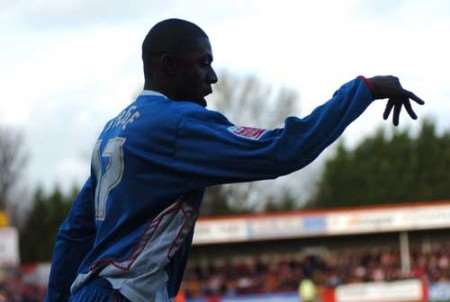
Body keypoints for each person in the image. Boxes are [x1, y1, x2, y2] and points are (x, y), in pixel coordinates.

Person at [45, 18, 424, 302]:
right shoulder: (176, 125)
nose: (212, 77)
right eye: (203, 63)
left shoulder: (114, 131)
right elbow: (282, 150)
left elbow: (74, 233)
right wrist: (364, 90)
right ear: (169, 66)